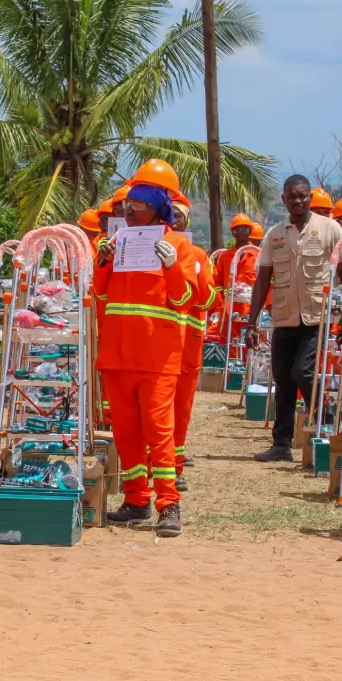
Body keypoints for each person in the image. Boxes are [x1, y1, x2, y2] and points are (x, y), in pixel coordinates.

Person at [93, 158, 199, 537]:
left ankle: (169, 504)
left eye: (137, 204)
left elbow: (185, 298)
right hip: (118, 356)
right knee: (126, 435)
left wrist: (172, 267)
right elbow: (100, 293)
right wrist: (102, 262)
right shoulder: (115, 244)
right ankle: (136, 500)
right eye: (127, 204)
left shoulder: (179, 247)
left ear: (157, 207)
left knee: (159, 433)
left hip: (157, 359)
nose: (128, 211)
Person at [245, 175, 342, 463]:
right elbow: (262, 279)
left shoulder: (330, 229)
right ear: (284, 199)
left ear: (310, 198)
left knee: (302, 372)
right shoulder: (275, 234)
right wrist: (251, 323)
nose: (298, 201)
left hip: (318, 317)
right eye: (292, 196)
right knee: (283, 379)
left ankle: (328, 420)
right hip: (284, 317)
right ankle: (281, 444)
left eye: (303, 196)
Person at [169, 195, 215, 492]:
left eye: (178, 215)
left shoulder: (198, 255)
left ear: (186, 221)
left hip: (188, 344)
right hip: (158, 341)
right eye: (169, 214)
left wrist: (195, 276)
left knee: (181, 408)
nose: (173, 220)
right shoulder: (148, 249)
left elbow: (211, 300)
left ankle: (174, 466)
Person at [212, 213, 261, 342]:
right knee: (226, 342)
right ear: (233, 233)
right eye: (237, 230)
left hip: (250, 309)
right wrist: (220, 305)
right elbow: (217, 282)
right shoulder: (225, 256)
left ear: (250, 231)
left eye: (244, 230)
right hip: (228, 309)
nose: (240, 233)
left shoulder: (258, 255)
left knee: (247, 343)